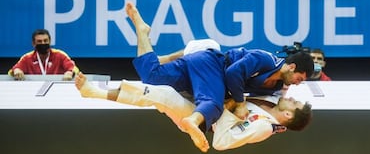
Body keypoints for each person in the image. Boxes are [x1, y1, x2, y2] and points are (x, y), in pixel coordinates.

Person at [126, 2, 314, 152]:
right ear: (292, 66)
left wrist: (277, 126)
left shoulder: (277, 87)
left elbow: (281, 113)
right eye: (300, 78)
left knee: (152, 77)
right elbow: (233, 73)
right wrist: (239, 103)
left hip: (206, 68)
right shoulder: (264, 58)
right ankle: (193, 121)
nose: (299, 84)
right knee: (213, 103)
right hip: (216, 67)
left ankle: (143, 32)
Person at [74, 72, 312, 151]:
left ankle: (92, 92)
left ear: (289, 115)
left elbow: (220, 142)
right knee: (205, 47)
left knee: (163, 95)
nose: (291, 99)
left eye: (295, 104)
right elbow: (280, 84)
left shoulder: (262, 126)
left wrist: (230, 108)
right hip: (211, 96)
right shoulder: (274, 100)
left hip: (204, 120)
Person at [8, 29, 79, 81]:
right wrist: (17, 71)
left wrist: (70, 72)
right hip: (33, 92)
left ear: (50, 41)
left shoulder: (60, 55)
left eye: (45, 40)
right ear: (33, 43)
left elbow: (74, 68)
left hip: (57, 90)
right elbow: (12, 71)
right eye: (39, 41)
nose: (43, 43)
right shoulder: (27, 57)